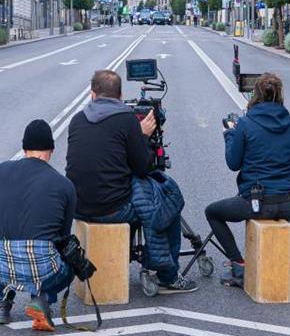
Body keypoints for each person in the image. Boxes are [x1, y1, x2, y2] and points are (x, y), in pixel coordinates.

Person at [65, 70, 198, 294]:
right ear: (120, 96)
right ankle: (168, 277)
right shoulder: (126, 120)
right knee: (167, 205)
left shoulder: (77, 119)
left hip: (79, 207)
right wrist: (142, 135)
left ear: (92, 94)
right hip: (112, 210)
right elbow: (143, 167)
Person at [0, 120, 76, 331]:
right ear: (52, 149)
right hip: (44, 268)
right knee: (69, 264)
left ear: (24, 148)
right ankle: (42, 300)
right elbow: (62, 237)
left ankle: (1, 304)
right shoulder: (64, 185)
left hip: (0, 266)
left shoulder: (1, 170)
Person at [205, 74, 290, 286]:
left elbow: (233, 163)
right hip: (288, 204)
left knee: (212, 212)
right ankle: (284, 264)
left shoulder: (245, 124)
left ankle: (239, 265)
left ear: (255, 95)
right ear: (280, 95)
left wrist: (230, 134)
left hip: (257, 203)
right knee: (276, 216)